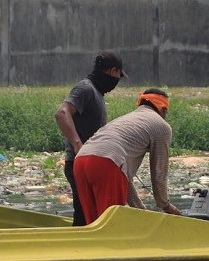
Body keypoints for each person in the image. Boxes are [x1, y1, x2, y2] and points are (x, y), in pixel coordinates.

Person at [73, 88, 182, 224]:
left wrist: (141, 210)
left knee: (94, 224)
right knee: (111, 225)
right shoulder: (162, 127)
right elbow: (159, 174)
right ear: (163, 110)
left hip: (80, 161)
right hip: (106, 163)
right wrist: (167, 206)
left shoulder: (127, 120)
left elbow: (123, 175)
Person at [55, 51, 126, 226]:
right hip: (78, 161)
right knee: (83, 214)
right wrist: (78, 144)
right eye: (118, 75)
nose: (117, 81)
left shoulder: (97, 93)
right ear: (113, 71)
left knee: (89, 214)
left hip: (88, 163)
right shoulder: (85, 88)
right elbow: (62, 113)